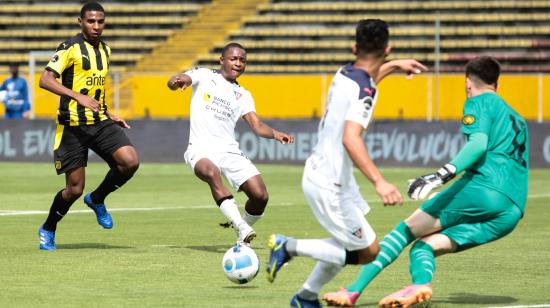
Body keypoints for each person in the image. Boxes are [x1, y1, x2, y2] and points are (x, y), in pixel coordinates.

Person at [322, 56, 528, 307]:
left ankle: (352, 291)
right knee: (424, 247)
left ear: (467, 83)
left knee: (404, 231)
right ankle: (420, 285)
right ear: (497, 83)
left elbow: (478, 145)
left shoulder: (478, 102)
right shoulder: (517, 118)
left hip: (484, 189)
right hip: (511, 211)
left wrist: (441, 175)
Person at [265, 19, 428, 308]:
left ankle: (305, 297)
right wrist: (379, 181)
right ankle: (287, 246)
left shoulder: (345, 73)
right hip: (330, 184)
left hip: (325, 174)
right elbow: (351, 138)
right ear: (387, 48)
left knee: (349, 245)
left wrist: (392, 66)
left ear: (355, 48)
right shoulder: (366, 92)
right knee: (368, 252)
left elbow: (369, 75)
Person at [167, 42, 295, 245]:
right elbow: (180, 79)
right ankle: (241, 227)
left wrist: (276, 134)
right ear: (222, 60)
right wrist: (176, 81)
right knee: (211, 173)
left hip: (228, 150)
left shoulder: (243, 95)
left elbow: (257, 125)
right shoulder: (205, 75)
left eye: (242, 60)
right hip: (200, 149)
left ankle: (241, 234)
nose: (238, 63)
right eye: (233, 59)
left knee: (260, 196)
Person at [37, 2, 139, 251]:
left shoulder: (106, 50)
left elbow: (96, 90)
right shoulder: (69, 48)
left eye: (100, 21)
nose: (96, 26)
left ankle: (97, 198)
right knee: (73, 189)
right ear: (80, 21)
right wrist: (76, 96)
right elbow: (45, 79)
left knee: (130, 161)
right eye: (91, 21)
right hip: (73, 127)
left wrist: (109, 113)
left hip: (99, 122)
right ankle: (48, 228)